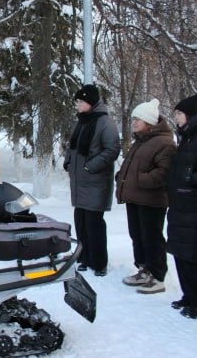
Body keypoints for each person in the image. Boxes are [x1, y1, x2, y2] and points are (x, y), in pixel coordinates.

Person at [115, 99, 175, 294]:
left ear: (149, 121)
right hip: (136, 196)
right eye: (133, 119)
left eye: (137, 119)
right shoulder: (141, 141)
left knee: (151, 237)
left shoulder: (164, 142)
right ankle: (143, 269)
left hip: (152, 200)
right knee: (137, 235)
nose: (133, 122)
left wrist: (139, 180)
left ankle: (157, 276)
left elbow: (164, 172)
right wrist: (121, 177)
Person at [63, 84, 120, 277]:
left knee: (94, 224)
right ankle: (84, 257)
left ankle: (99, 262)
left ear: (91, 102)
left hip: (95, 182)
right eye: (77, 102)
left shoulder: (105, 123)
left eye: (81, 101)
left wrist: (90, 166)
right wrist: (68, 162)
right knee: (81, 222)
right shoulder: (81, 122)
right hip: (80, 183)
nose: (78, 105)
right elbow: (73, 147)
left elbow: (112, 150)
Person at [166, 92, 197, 319]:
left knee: (193, 255)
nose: (176, 117)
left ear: (191, 115)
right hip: (180, 204)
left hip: (194, 207)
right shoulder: (187, 137)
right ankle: (188, 295)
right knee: (180, 253)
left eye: (179, 113)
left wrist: (190, 179)